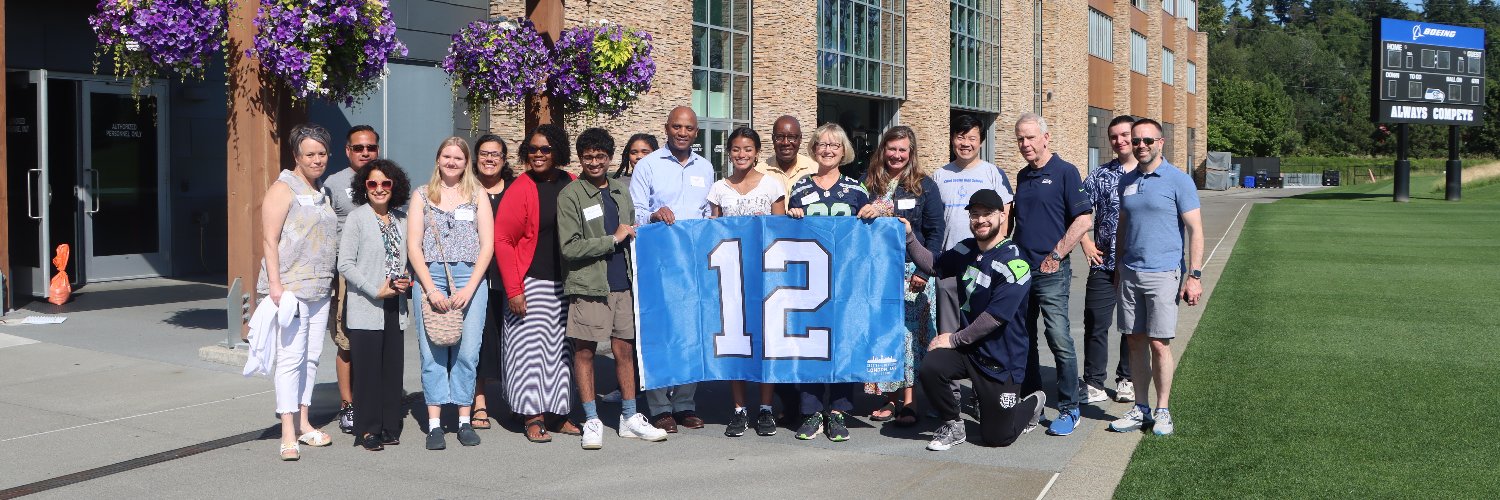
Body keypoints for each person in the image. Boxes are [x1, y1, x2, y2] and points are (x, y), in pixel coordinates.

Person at [906, 189, 1045, 451]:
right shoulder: (966, 248)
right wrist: (910, 237)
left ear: (1003, 216)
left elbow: (994, 318)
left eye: (987, 214)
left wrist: (954, 339)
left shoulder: (1016, 262)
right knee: (931, 366)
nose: (980, 220)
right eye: (975, 214)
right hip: (969, 350)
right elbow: (934, 264)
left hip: (1001, 359)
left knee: (997, 438)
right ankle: (953, 424)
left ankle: (1032, 403)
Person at [558, 127, 671, 450]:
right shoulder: (572, 195)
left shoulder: (621, 192)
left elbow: (634, 231)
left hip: (622, 282)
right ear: (580, 159)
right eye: (588, 157)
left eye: (600, 156)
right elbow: (569, 247)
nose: (594, 162)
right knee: (585, 351)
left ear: (609, 158)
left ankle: (630, 417)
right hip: (589, 283)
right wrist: (612, 239)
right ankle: (592, 419)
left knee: (624, 351)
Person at [1108, 118, 1203, 437]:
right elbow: (1123, 225)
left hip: (1164, 273)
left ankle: (1163, 410)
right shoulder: (1127, 181)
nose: (1141, 146)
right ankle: (1141, 407)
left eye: (1147, 140)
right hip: (1131, 273)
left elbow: (1195, 230)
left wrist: (1195, 275)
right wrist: (1118, 266)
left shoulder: (1178, 180)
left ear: (1160, 142)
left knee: (1159, 344)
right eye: (1136, 141)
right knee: (1134, 341)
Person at [629, 106, 714, 433]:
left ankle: (684, 403)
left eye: (689, 128)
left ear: (696, 132)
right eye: (677, 126)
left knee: (691, 330)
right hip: (659, 261)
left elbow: (708, 214)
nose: (682, 132)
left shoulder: (705, 168)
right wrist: (653, 214)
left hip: (693, 264)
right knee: (660, 330)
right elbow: (635, 212)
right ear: (667, 128)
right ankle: (660, 405)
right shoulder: (648, 166)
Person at [258, 123, 338, 461]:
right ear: (297, 156)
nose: (317, 160)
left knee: (311, 357)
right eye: (310, 154)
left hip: (320, 288)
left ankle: (304, 422)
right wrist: (275, 286)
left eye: (322, 153)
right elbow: (269, 240)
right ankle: (287, 431)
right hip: (290, 289)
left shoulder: (322, 192)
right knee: (290, 359)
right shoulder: (283, 188)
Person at [495, 124, 581, 443]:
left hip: (565, 284)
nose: (538, 155)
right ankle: (532, 415)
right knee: (529, 352)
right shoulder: (521, 187)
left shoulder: (572, 183)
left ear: (557, 150)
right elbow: (503, 240)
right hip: (530, 281)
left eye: (545, 149)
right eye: (532, 149)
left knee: (560, 351)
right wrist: (514, 289)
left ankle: (558, 414)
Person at [408, 136, 494, 450]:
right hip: (431, 277)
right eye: (447, 156)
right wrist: (429, 290)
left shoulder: (477, 194)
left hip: (470, 277)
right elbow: (414, 245)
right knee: (433, 354)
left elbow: (488, 246)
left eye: (458, 158)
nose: (452, 162)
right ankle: (434, 423)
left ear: (466, 162)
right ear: (438, 159)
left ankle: (463, 419)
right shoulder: (421, 195)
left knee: (467, 353)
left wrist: (471, 288)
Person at [786, 122, 869, 442]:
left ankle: (836, 411)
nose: (828, 149)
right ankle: (810, 410)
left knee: (840, 345)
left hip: (845, 282)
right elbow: (789, 233)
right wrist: (791, 218)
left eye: (835, 144)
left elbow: (871, 235)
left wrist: (873, 213)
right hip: (808, 282)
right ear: (814, 148)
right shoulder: (802, 188)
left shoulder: (855, 190)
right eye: (822, 144)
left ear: (844, 150)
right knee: (809, 345)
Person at [1011, 112, 1092, 437]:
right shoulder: (1022, 176)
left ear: (1046, 138)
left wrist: (1057, 254)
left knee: (1058, 337)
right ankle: (1033, 401)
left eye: (1030, 137)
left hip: (1051, 271)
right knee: (1023, 337)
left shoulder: (1065, 172)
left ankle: (1071, 407)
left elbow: (1084, 219)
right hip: (1021, 270)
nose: (1025, 144)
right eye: (1020, 138)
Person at [856, 125, 944, 427]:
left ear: (911, 153)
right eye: (891, 149)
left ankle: (910, 400)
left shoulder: (925, 187)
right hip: (877, 274)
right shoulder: (867, 184)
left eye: (902, 150)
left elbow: (936, 234)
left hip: (912, 272)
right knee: (884, 335)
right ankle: (889, 398)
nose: (896, 155)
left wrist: (923, 270)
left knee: (909, 339)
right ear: (883, 151)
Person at [706, 127, 787, 438]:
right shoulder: (718, 189)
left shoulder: (772, 185)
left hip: (766, 276)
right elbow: (712, 233)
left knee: (767, 344)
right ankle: (739, 409)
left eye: (748, 149)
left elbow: (781, 231)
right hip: (731, 277)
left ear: (757, 152)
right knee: (735, 344)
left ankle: (766, 408)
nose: (742, 154)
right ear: (729, 152)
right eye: (736, 149)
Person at [336, 159, 413, 451]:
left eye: (385, 183)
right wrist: (374, 290)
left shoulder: (402, 219)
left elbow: (408, 260)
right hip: (367, 304)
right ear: (364, 187)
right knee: (368, 372)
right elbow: (345, 263)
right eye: (372, 183)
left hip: (396, 306)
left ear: (395, 187)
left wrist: (407, 281)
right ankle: (368, 429)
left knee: (392, 369)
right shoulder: (357, 218)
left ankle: (390, 425)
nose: (379, 189)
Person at [933, 115, 1015, 335]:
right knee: (948, 328)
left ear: (981, 142)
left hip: (983, 265)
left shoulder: (992, 173)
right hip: (949, 264)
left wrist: (996, 255)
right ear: (952, 140)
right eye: (961, 137)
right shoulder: (940, 175)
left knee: (980, 326)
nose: (966, 143)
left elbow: (1005, 215)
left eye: (972, 138)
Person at [324, 125, 381, 435]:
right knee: (347, 342)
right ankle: (348, 405)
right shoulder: (333, 183)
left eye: (370, 147)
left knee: (379, 339)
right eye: (358, 148)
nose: (365, 153)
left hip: (381, 274)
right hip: (347, 277)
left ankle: (374, 397)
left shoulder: (386, 177)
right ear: (348, 151)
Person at [1080, 116, 1139, 405]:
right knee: (1095, 322)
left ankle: (1126, 379)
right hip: (1104, 264)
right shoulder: (1100, 175)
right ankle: (1093, 383)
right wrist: (1086, 242)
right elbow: (1078, 211)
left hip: (1137, 265)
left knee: (1131, 325)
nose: (1120, 141)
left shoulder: (1149, 173)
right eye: (1114, 136)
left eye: (1125, 134)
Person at [470, 134, 515, 431]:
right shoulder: (466, 190)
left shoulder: (515, 189)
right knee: (479, 339)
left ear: (504, 159)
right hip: (475, 275)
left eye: (495, 154)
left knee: (512, 338)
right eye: (484, 154)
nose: (489, 159)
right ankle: (480, 402)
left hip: (509, 273)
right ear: (476, 159)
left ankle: (517, 398)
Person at [756, 115, 817, 194]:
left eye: (791, 137)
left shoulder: (815, 170)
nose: (785, 142)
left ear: (800, 139)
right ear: (772, 139)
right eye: (779, 137)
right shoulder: (759, 172)